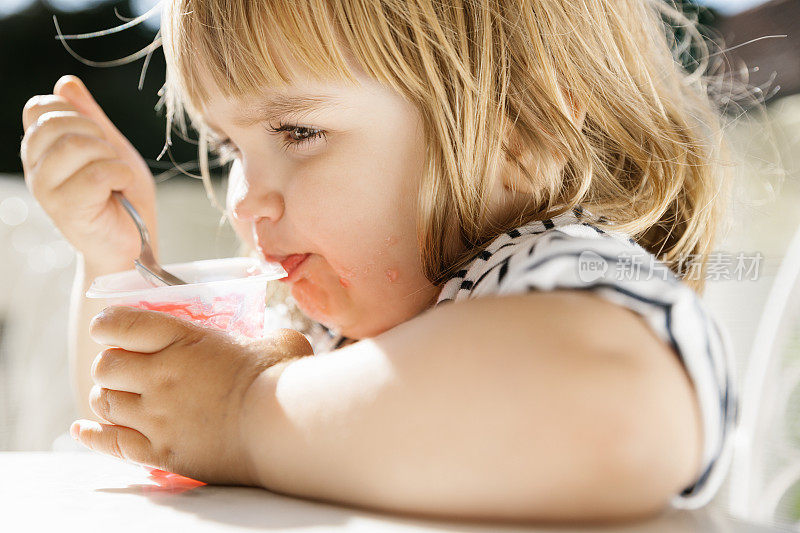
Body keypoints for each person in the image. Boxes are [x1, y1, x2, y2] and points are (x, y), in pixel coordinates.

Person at [19, 0, 739, 523]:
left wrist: (245, 413)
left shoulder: (560, 270)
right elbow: (147, 424)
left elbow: (610, 413)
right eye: (231, 149)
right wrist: (119, 260)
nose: (242, 200)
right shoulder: (337, 328)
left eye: (298, 130)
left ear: (524, 132)